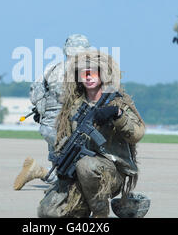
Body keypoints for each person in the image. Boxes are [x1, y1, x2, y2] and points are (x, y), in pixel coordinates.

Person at [37, 50, 146, 218]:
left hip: (111, 172)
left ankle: (100, 214)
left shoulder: (117, 102)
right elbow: (63, 137)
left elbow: (137, 134)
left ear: (102, 74)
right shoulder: (73, 106)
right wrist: (62, 161)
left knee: (86, 165)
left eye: (93, 72)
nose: (88, 77)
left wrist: (117, 114)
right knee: (48, 212)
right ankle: (86, 207)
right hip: (79, 174)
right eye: (83, 73)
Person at [13, 34, 91, 190]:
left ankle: (41, 172)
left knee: (59, 162)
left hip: (49, 125)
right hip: (72, 126)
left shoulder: (52, 68)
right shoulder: (85, 71)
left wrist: (43, 111)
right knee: (74, 172)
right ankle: (41, 172)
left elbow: (35, 93)